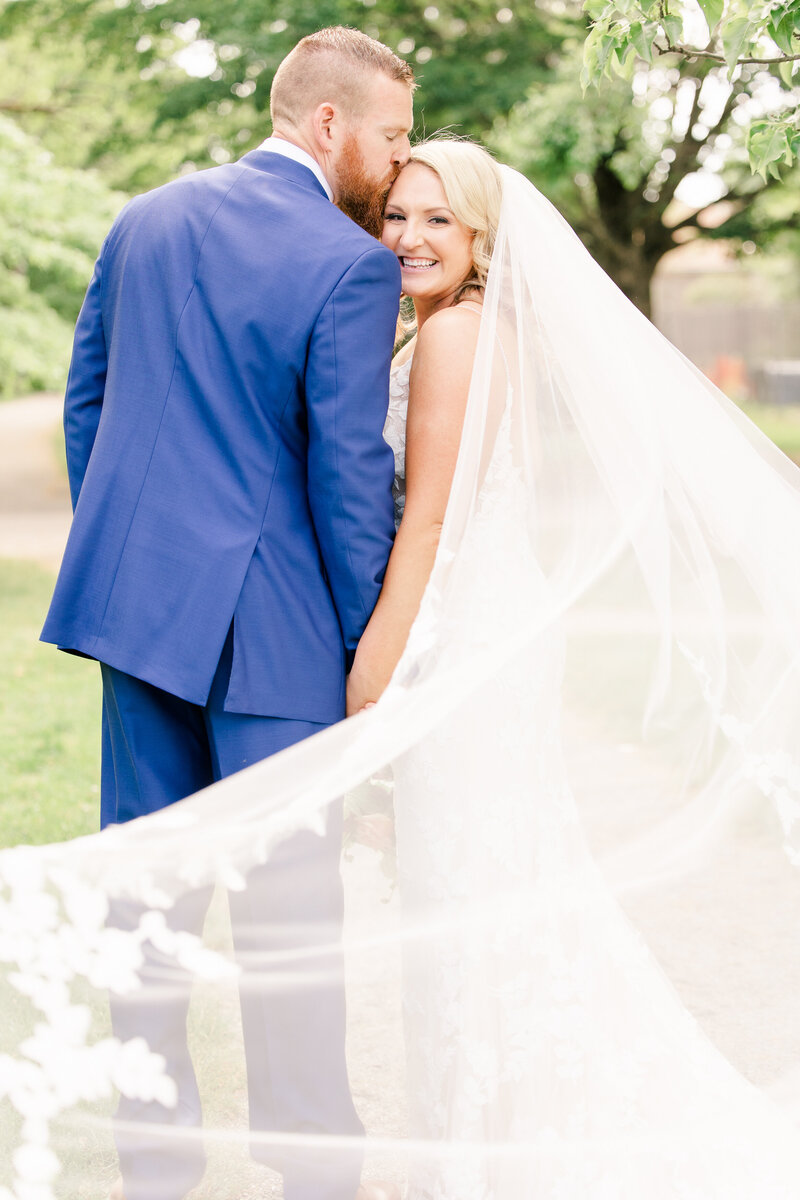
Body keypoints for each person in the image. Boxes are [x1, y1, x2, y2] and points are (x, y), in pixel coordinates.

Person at [348, 138, 800, 1197]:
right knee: (488, 886)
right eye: (395, 217)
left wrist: (372, 674)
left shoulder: (454, 336)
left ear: (479, 237)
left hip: (462, 644)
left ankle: (494, 1150)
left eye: (435, 222)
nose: (409, 238)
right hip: (489, 631)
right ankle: (490, 1135)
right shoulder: (467, 327)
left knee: (469, 891)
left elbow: (425, 532)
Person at [39, 25, 413, 1200]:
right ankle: (311, 1169)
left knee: (142, 908)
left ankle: (153, 1168)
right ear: (329, 125)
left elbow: (88, 401)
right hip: (279, 645)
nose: (399, 167)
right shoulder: (347, 264)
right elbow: (347, 478)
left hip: (136, 622)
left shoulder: (144, 217)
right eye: (393, 137)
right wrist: (370, 648)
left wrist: (137, 561)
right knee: (289, 925)